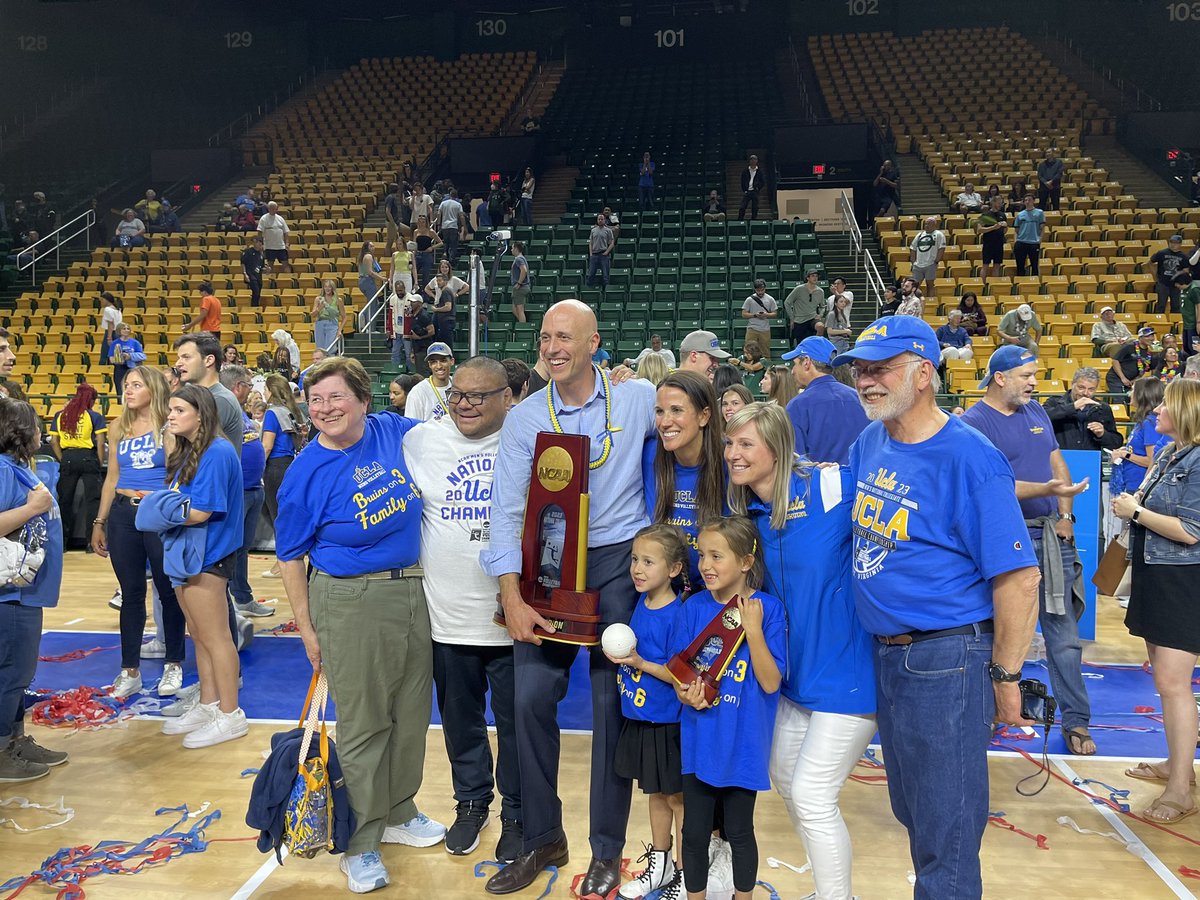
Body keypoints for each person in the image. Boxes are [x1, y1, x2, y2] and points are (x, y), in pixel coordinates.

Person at [833, 315, 1040, 898]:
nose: (867, 382)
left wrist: (1005, 675)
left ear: (924, 373)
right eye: (861, 371)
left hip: (947, 657)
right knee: (916, 812)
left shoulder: (971, 458)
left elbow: (1020, 579)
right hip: (890, 655)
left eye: (881, 370)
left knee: (946, 833)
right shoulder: (870, 439)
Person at [481, 300, 657, 897]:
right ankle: (542, 837)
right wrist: (511, 594)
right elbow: (504, 510)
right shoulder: (528, 417)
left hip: (617, 564)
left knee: (612, 708)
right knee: (529, 698)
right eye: (545, 337)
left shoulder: (635, 400)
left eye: (565, 337)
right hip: (550, 567)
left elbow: (692, 425)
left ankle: (607, 850)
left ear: (594, 343)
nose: (553, 347)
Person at [276, 357, 447, 892]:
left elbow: (449, 444)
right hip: (349, 599)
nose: (324, 408)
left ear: (364, 400)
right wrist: (306, 628)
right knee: (366, 722)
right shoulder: (305, 472)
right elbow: (289, 556)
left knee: (411, 712)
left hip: (415, 589)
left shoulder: (391, 430)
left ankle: (399, 809)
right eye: (315, 399)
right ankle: (361, 842)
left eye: (335, 397)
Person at [724, 402, 876, 900]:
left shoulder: (832, 487)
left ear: (777, 447)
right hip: (793, 680)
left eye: (746, 444)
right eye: (730, 444)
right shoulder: (749, 514)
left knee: (812, 795)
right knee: (787, 780)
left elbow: (900, 494)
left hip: (848, 676)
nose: (733, 454)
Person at [404, 357, 522, 861]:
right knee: (460, 723)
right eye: (457, 394)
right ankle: (471, 803)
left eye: (478, 395)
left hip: (513, 619)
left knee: (518, 726)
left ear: (506, 398)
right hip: (447, 618)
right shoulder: (421, 441)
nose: (465, 404)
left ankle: (518, 812)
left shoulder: (529, 443)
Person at [963, 348, 1095, 756]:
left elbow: (1057, 463)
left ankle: (1076, 720)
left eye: (1034, 374)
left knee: (1065, 638)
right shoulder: (972, 424)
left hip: (1050, 538)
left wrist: (1066, 516)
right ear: (999, 377)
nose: (1034, 381)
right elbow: (992, 486)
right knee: (991, 635)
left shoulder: (1036, 412)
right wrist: (1048, 492)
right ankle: (984, 717)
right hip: (1003, 544)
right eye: (1026, 375)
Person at [671, 517, 785, 900]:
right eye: (702, 555)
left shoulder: (769, 609)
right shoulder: (693, 607)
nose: (705, 565)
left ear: (746, 562)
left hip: (743, 744)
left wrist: (752, 630)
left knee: (739, 831)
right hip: (699, 740)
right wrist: (686, 693)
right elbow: (680, 675)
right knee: (694, 831)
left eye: (716, 556)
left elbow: (771, 682)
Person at [1112, 379, 1200, 823]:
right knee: (1166, 682)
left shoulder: (1199, 459)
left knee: (1173, 684)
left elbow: (1192, 531)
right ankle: (1177, 765)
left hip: (1183, 581)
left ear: (1185, 411)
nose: (1156, 410)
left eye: (1165, 404)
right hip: (1156, 573)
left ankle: (1181, 789)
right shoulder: (1169, 453)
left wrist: (1137, 512)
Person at [152, 385, 245, 749]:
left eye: (178, 410)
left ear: (201, 414)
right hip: (187, 553)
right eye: (170, 410)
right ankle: (209, 704)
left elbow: (201, 511)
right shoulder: (193, 450)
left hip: (209, 554)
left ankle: (231, 713)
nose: (170, 416)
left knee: (216, 637)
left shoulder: (217, 452)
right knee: (200, 634)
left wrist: (154, 511)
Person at [93, 367, 187, 700]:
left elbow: (178, 474)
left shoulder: (169, 425)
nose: (128, 391)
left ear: (154, 388)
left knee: (168, 591)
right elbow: (110, 479)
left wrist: (162, 501)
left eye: (136, 385)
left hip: (157, 514)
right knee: (130, 593)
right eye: (126, 386)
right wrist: (99, 522)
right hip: (122, 513)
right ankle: (129, 670)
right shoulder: (118, 426)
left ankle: (173, 662)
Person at [605, 525, 689, 900]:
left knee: (677, 799)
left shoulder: (678, 613)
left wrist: (637, 661)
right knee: (655, 794)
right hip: (641, 719)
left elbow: (677, 672)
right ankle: (661, 864)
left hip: (669, 722)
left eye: (648, 562)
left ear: (673, 569)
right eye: (635, 560)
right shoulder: (641, 601)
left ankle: (687, 875)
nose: (637, 569)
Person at [0, 398, 65, 783]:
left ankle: (16, 738)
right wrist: (30, 509)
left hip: (26, 593)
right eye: (37, 424)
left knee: (19, 674)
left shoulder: (19, 468)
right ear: (21, 431)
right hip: (10, 597)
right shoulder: (5, 471)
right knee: (11, 674)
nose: (43, 431)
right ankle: (3, 749)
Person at [645, 371, 725, 590]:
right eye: (660, 411)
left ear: (704, 416)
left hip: (716, 594)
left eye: (677, 410)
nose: (665, 422)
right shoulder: (648, 455)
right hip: (663, 593)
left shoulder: (730, 461)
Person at [220, 365, 273, 620]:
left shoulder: (241, 413)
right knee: (230, 549)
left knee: (242, 549)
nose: (252, 392)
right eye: (250, 386)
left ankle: (242, 598)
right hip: (237, 491)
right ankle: (227, 602)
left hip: (253, 488)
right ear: (238, 387)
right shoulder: (222, 411)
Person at [782, 336, 868, 466]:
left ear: (806, 362)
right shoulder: (859, 398)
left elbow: (796, 462)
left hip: (818, 483)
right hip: (859, 482)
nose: (793, 371)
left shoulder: (798, 405)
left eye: (794, 364)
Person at [49, 384, 107, 551]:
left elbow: (53, 441)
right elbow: (101, 442)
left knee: (64, 501)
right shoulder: (94, 416)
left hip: (67, 457)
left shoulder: (60, 415)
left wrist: (63, 459)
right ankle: (91, 543)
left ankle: (63, 543)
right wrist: (98, 461)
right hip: (88, 457)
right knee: (93, 501)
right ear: (92, 400)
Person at [174, 333, 243, 458]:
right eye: (179, 357)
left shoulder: (220, 399)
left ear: (209, 360)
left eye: (186, 357)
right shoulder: (190, 395)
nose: (178, 363)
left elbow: (192, 449)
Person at [1043, 367, 1124, 452]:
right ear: (1073, 384)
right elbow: (1041, 418)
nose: (1085, 393)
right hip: (1060, 460)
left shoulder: (1102, 408)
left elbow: (1116, 443)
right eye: (1081, 387)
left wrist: (1102, 434)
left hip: (1090, 461)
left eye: (1091, 389)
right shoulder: (1054, 402)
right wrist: (1073, 407)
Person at [1111, 377, 1169, 495]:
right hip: (1132, 483)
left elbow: (1153, 460)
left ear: (1142, 395)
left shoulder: (1151, 422)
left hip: (1141, 487)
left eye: (1133, 390)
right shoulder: (1143, 421)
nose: (1130, 394)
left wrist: (1125, 454)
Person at [406, 342, 454, 422]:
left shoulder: (459, 386)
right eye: (434, 362)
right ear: (429, 365)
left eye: (443, 360)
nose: (439, 366)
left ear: (452, 361)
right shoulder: (418, 392)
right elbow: (412, 428)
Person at [1107, 328, 1160, 395]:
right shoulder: (1129, 347)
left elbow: (1144, 369)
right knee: (1121, 399)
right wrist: (1123, 378)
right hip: (1116, 378)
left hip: (1131, 381)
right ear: (1140, 337)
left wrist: (1136, 379)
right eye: (1147, 336)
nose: (1151, 338)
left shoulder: (1149, 353)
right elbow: (1115, 361)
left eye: (1152, 336)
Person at [1150, 236, 1191, 314]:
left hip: (1176, 285)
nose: (1173, 245)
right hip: (1163, 284)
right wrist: (1155, 275)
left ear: (1180, 244)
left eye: (1175, 243)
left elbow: (1186, 271)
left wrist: (1182, 283)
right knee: (1160, 306)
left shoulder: (1184, 257)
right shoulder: (1162, 253)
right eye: (1171, 242)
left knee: (1176, 307)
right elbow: (1151, 262)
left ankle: (1174, 324)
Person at [783, 270, 826, 345]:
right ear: (807, 278)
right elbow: (787, 302)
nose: (815, 278)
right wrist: (792, 318)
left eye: (816, 276)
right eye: (813, 276)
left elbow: (822, 306)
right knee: (802, 344)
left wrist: (820, 315)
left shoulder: (820, 291)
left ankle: (816, 346)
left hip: (812, 318)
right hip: (800, 320)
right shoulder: (799, 289)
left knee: (820, 326)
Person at [908, 216, 945, 299]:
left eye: (929, 224)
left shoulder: (939, 234)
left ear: (935, 225)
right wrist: (913, 262)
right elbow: (913, 248)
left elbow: (941, 248)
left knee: (930, 284)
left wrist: (936, 261)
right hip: (918, 264)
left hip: (930, 263)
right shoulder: (920, 235)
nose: (927, 226)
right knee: (915, 285)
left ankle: (930, 301)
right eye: (926, 224)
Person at [741, 279, 778, 359]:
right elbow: (744, 314)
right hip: (752, 328)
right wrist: (754, 315)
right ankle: (748, 367)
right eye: (758, 290)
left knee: (765, 352)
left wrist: (766, 315)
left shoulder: (770, 299)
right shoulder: (749, 299)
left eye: (762, 290)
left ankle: (767, 369)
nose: (760, 292)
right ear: (755, 289)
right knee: (748, 350)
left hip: (765, 329)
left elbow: (775, 313)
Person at [975, 193, 1008, 281]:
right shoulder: (985, 215)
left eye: (1001, 202)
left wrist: (1005, 226)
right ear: (993, 203)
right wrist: (993, 227)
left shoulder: (1002, 215)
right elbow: (979, 230)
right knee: (985, 265)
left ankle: (994, 284)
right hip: (988, 244)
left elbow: (1004, 231)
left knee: (997, 265)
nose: (1001, 204)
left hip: (999, 243)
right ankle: (982, 284)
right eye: (999, 202)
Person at [108, 323, 147, 396]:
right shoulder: (114, 343)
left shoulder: (135, 343)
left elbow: (143, 356)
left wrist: (130, 356)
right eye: (124, 328)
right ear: (119, 330)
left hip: (132, 368)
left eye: (128, 329)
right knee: (120, 391)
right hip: (120, 369)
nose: (126, 330)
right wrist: (118, 359)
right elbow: (111, 358)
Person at [1013, 193, 1045, 276]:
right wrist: (1016, 241)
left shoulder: (1039, 213)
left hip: (1034, 243)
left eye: (1029, 200)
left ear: (1033, 201)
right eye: (1026, 200)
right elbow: (1016, 230)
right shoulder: (1020, 214)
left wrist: (1039, 240)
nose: (1028, 202)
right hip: (1021, 242)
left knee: (1034, 266)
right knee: (1020, 266)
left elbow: (1042, 228)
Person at [313, 279, 347, 354]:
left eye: (329, 287)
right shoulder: (318, 299)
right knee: (320, 350)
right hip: (320, 324)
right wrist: (319, 309)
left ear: (332, 288)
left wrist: (339, 330)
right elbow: (312, 315)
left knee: (330, 349)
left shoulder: (338, 300)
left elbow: (344, 317)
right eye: (325, 287)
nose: (327, 289)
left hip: (332, 324)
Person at [358, 241, 387, 325]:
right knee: (373, 304)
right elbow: (370, 272)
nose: (373, 248)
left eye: (373, 246)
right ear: (366, 248)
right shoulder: (368, 256)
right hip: (367, 281)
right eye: (371, 246)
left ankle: (364, 315)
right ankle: (370, 328)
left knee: (375, 302)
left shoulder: (363, 256)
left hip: (362, 281)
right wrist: (381, 278)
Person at [256, 200, 290, 273]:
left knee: (285, 264)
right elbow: (259, 232)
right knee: (269, 265)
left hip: (281, 246)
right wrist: (260, 243)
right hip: (269, 247)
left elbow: (286, 232)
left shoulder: (280, 218)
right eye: (272, 208)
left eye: (275, 208)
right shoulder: (264, 218)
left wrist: (287, 243)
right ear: (269, 209)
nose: (274, 210)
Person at [437, 189, 466, 265]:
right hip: (453, 226)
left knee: (446, 242)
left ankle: (445, 255)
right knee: (453, 244)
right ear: (456, 196)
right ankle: (451, 259)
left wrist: (438, 224)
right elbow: (461, 216)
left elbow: (439, 213)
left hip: (445, 226)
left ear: (450, 195)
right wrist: (464, 226)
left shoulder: (443, 203)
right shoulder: (458, 204)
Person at [587, 213, 615, 290]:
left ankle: (606, 291)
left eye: (602, 219)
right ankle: (589, 290)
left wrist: (606, 252)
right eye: (599, 219)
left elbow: (612, 243)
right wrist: (591, 253)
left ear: (604, 220)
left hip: (604, 255)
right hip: (594, 255)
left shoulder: (608, 231)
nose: (600, 220)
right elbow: (590, 243)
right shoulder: (593, 230)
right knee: (591, 274)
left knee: (605, 275)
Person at [509, 240, 530, 324]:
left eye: (512, 248)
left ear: (516, 249)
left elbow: (524, 270)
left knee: (519, 309)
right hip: (521, 287)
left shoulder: (519, 259)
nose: (511, 250)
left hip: (521, 287)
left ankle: (523, 326)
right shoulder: (521, 258)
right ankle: (523, 323)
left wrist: (519, 283)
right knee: (514, 309)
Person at [738, 155, 764, 221]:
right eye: (751, 159)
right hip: (747, 191)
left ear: (757, 161)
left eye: (754, 159)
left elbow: (762, 182)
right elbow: (742, 181)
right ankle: (740, 219)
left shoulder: (759, 172)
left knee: (755, 207)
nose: (753, 161)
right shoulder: (745, 171)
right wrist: (745, 190)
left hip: (755, 191)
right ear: (749, 161)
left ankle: (753, 220)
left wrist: (758, 188)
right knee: (742, 207)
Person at [242, 235, 265, 307]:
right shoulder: (248, 252)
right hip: (250, 275)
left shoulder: (262, 254)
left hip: (258, 276)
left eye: (258, 242)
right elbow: (243, 263)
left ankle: (255, 306)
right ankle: (254, 307)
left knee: (258, 293)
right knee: (256, 291)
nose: (257, 244)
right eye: (255, 242)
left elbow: (262, 267)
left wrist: (267, 269)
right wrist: (245, 274)